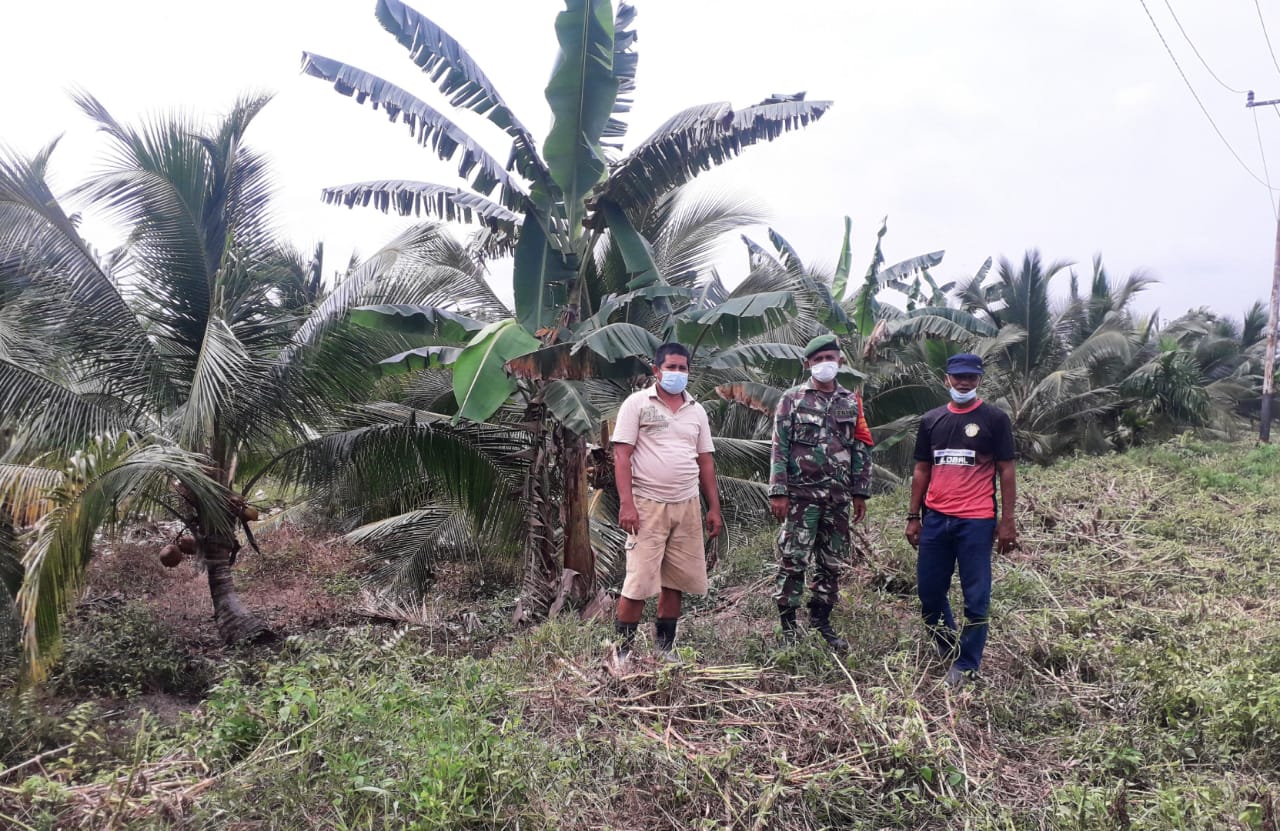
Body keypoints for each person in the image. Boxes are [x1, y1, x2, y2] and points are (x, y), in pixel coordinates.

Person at [905, 352, 1017, 687]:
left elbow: (1006, 470)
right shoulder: (931, 420)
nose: (964, 383)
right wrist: (913, 516)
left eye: (971, 377)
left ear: (979, 379)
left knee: (976, 595)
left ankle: (967, 662)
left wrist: (1007, 519)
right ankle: (947, 643)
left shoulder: (994, 419)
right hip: (936, 519)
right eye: (958, 377)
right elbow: (922, 470)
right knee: (929, 592)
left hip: (977, 521)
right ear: (947, 379)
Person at [612, 342, 723, 660]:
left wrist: (713, 507)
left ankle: (664, 652)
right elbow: (621, 456)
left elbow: (705, 462)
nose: (677, 373)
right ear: (656, 370)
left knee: (675, 581)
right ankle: (622, 655)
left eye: (683, 368)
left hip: (687, 505)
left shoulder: (696, 411)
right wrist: (627, 504)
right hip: (647, 505)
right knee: (637, 583)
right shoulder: (637, 405)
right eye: (671, 367)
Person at [768, 334, 874, 651]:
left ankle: (821, 622)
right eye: (818, 360)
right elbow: (779, 446)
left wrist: (860, 491)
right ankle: (788, 627)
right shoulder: (792, 399)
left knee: (831, 562)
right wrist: (778, 491)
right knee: (793, 559)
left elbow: (861, 447)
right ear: (808, 364)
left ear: (840, 361)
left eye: (830, 357)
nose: (825, 364)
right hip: (801, 497)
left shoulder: (850, 401)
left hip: (838, 498)